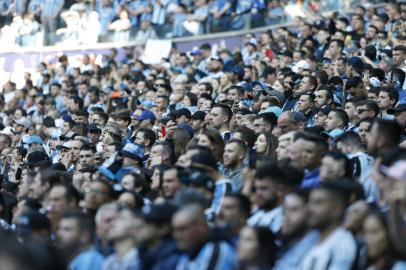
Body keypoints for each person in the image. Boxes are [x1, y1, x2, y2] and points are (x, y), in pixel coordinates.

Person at [301, 181, 357, 270]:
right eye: (310, 202)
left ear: (337, 210)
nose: (309, 208)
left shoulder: (342, 245)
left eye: (318, 203)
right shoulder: (310, 239)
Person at [172, 203, 237, 270]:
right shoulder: (189, 250)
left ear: (201, 227)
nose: (177, 235)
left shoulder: (217, 250)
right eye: (175, 230)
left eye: (182, 229)